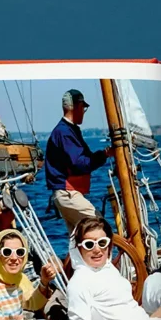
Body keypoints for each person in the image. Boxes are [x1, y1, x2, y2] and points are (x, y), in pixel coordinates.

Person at [45, 89, 114, 235]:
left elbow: (85, 159)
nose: (84, 111)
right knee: (100, 228)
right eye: (83, 108)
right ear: (76, 107)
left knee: (78, 239)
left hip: (67, 194)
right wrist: (104, 156)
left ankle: (78, 258)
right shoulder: (64, 132)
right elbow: (80, 164)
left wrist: (104, 154)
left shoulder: (69, 130)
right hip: (67, 194)